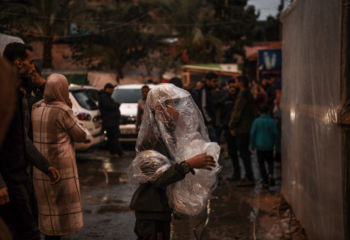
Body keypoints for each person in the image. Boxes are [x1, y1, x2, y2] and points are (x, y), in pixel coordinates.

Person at [129, 84, 220, 240]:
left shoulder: (168, 134)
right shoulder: (151, 140)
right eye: (173, 104)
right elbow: (159, 179)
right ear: (159, 108)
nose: (178, 109)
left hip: (162, 208)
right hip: (151, 212)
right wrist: (189, 164)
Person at [0, 42, 61, 240]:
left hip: (22, 174)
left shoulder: (20, 93)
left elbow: (21, 138)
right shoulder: (4, 94)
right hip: (8, 178)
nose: (33, 67)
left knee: (29, 226)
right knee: (28, 232)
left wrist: (45, 166)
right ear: (18, 63)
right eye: (30, 62)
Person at [32, 73, 89, 240]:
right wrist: (70, 108)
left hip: (41, 168)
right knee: (61, 216)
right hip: (61, 168)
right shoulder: (62, 110)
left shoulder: (36, 107)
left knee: (47, 211)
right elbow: (81, 135)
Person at [229, 75, 256, 186]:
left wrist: (232, 125)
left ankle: (249, 177)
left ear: (240, 83)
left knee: (244, 154)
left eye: (236, 82)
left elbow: (237, 111)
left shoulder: (243, 94)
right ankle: (249, 176)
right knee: (245, 154)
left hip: (242, 128)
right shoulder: (247, 93)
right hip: (246, 127)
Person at [250, 105, 278, 187]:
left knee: (261, 163)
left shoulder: (256, 121)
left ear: (259, 112)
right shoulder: (271, 121)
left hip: (260, 147)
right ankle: (271, 174)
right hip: (269, 147)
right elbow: (275, 134)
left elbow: (252, 134)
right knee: (270, 162)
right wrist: (277, 147)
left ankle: (265, 180)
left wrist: (252, 145)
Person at [98, 83, 124, 158]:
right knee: (113, 137)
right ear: (108, 89)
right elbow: (109, 106)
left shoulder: (107, 97)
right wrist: (117, 105)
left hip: (112, 121)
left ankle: (118, 152)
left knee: (113, 137)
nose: (112, 91)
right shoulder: (104, 97)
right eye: (111, 89)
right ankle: (115, 152)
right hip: (109, 121)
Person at [222, 79, 240, 181]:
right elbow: (224, 114)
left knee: (242, 152)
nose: (232, 89)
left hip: (238, 129)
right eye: (231, 87)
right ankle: (236, 174)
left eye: (234, 87)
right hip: (228, 129)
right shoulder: (226, 99)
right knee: (232, 152)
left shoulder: (240, 98)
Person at [197, 72, 218, 142]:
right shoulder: (204, 91)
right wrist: (208, 121)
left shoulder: (209, 91)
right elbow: (203, 107)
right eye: (214, 81)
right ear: (207, 81)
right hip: (208, 124)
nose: (215, 83)